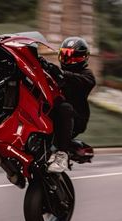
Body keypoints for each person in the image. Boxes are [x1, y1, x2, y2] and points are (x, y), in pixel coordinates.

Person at [39, 37, 96, 173]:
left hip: (76, 119)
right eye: (65, 55)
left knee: (65, 107)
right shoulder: (60, 74)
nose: (68, 60)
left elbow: (82, 80)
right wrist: (41, 65)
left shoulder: (86, 75)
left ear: (84, 57)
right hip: (55, 115)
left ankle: (62, 156)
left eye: (73, 57)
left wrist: (60, 73)